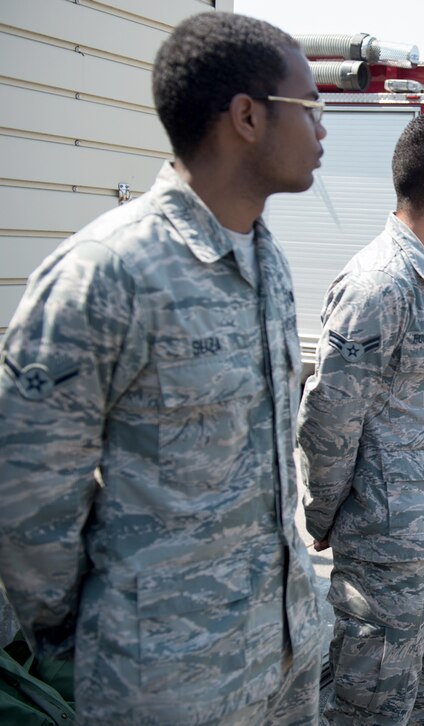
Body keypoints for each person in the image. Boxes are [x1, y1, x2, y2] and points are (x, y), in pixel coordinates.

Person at [0, 13, 325, 723]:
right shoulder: (108, 273)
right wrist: (84, 633)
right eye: (311, 107)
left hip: (283, 654)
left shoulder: (264, 256)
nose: (323, 129)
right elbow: (27, 499)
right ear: (246, 116)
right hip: (166, 680)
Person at [296, 113, 424, 725]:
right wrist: (322, 514)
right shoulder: (380, 281)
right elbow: (329, 417)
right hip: (385, 550)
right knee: (373, 707)